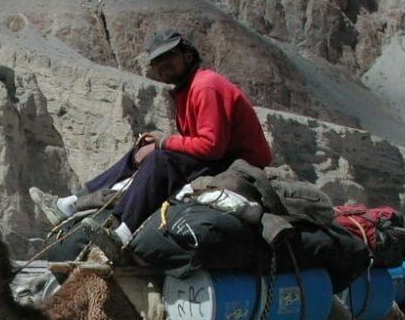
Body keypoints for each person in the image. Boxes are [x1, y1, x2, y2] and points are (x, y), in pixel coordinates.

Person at [30, 28, 272, 256]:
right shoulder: (186, 90)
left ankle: (122, 233)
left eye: (169, 57)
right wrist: (157, 144)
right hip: (217, 157)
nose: (163, 65)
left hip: (235, 163)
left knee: (159, 159)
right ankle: (71, 203)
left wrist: (163, 144)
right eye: (157, 61)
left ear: (188, 56)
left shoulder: (205, 86)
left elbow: (211, 147)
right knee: (143, 148)